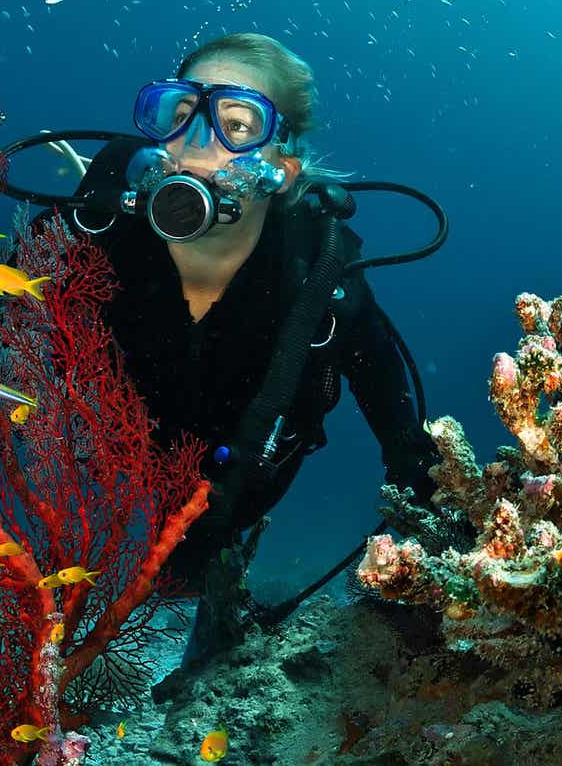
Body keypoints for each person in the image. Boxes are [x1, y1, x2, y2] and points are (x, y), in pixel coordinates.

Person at [55, 33, 440, 654]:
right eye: (179, 115)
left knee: (209, 563)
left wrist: (430, 514)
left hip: (246, 479)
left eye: (236, 124)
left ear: (281, 166)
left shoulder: (317, 272)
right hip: (104, 474)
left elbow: (396, 418)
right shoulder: (97, 228)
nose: (195, 142)